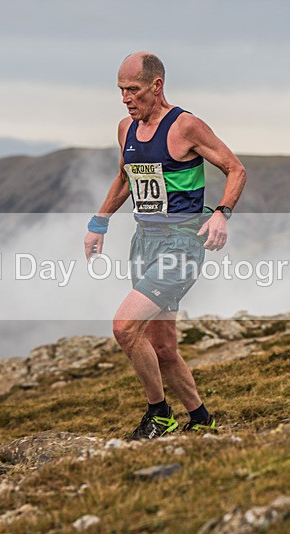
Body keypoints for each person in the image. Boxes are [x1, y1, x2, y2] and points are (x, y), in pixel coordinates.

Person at [84, 52, 247, 440]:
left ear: (156, 86)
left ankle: (159, 414)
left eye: (134, 90)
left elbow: (235, 168)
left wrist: (222, 212)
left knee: (124, 327)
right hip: (144, 241)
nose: (126, 98)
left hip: (182, 243)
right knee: (163, 347)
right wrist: (99, 221)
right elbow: (125, 178)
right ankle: (202, 419)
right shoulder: (126, 129)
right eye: (121, 90)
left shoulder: (185, 126)